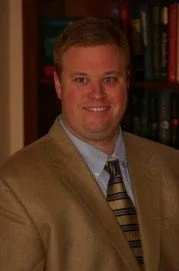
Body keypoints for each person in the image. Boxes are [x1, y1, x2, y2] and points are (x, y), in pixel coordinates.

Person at [0, 17, 179, 271]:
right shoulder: (13, 187)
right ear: (59, 85)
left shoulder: (172, 166)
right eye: (81, 80)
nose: (97, 94)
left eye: (109, 79)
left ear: (127, 82)